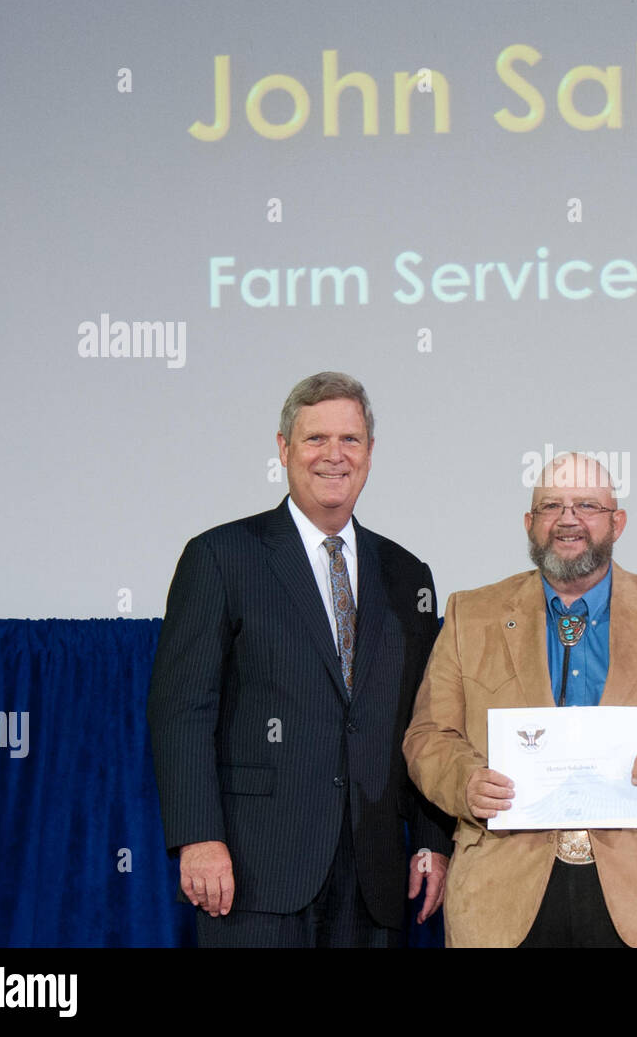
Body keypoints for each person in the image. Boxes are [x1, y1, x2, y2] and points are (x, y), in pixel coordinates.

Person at [402, 452, 637, 947]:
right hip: (501, 895)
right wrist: (464, 782)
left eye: (588, 506)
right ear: (530, 524)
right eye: (551, 505)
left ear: (617, 522)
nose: (568, 519)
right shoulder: (470, 615)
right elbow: (428, 736)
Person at [147, 371, 452, 947]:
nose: (334, 456)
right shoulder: (220, 556)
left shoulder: (409, 575)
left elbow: (424, 720)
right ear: (284, 449)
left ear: (369, 453)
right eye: (315, 439)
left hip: (375, 878)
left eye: (350, 440)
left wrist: (432, 840)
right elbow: (180, 709)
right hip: (254, 872)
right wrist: (199, 838)